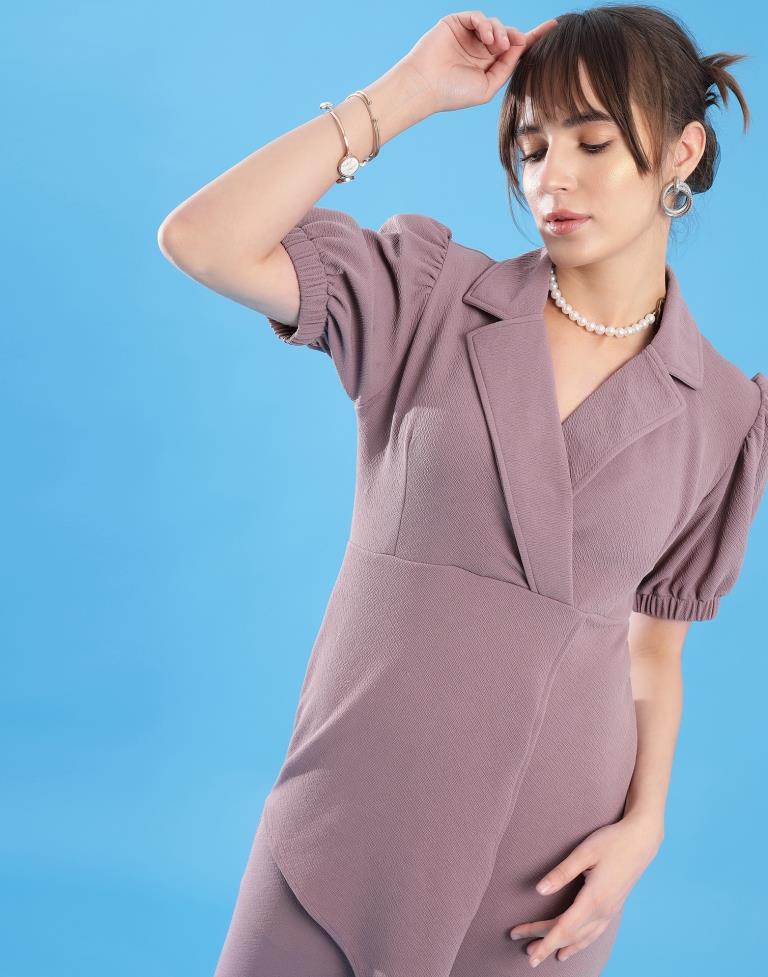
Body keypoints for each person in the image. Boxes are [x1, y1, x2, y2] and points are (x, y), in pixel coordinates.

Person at [158, 6, 768, 976]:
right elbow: (203, 239)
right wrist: (405, 94)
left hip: (547, 874)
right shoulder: (429, 296)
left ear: (682, 153)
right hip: (345, 823)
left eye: (592, 143)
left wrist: (644, 825)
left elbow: (655, 645)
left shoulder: (726, 414)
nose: (552, 176)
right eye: (531, 147)